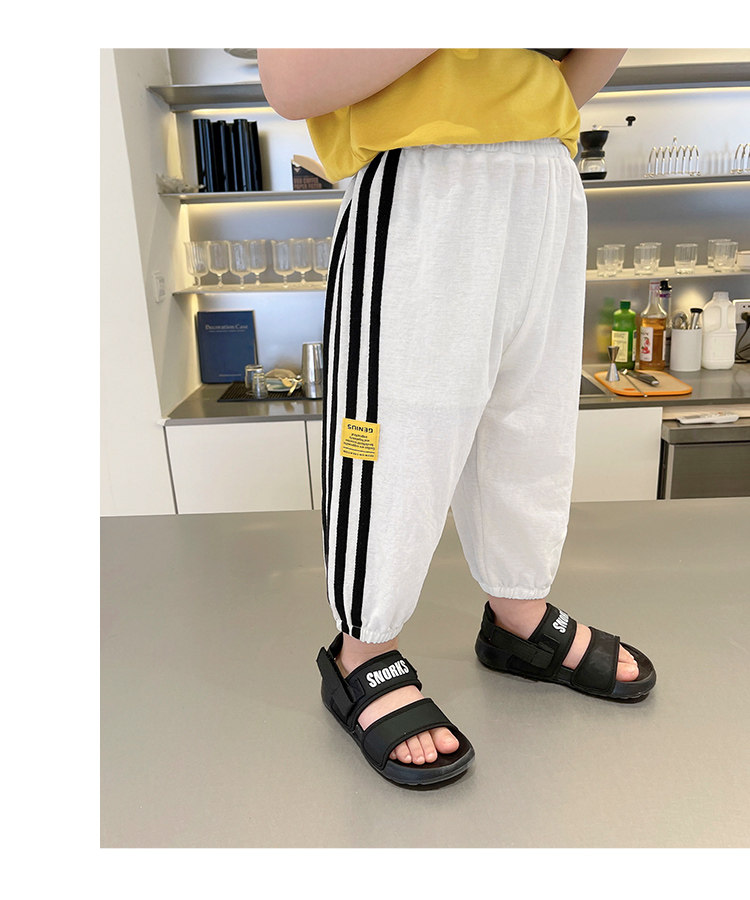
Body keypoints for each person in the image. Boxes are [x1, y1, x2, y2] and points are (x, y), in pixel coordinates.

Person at [258, 48, 657, 787]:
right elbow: (289, 81)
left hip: (546, 175)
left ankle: (519, 614)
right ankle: (363, 650)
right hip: (422, 178)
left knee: (529, 426)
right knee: (394, 439)